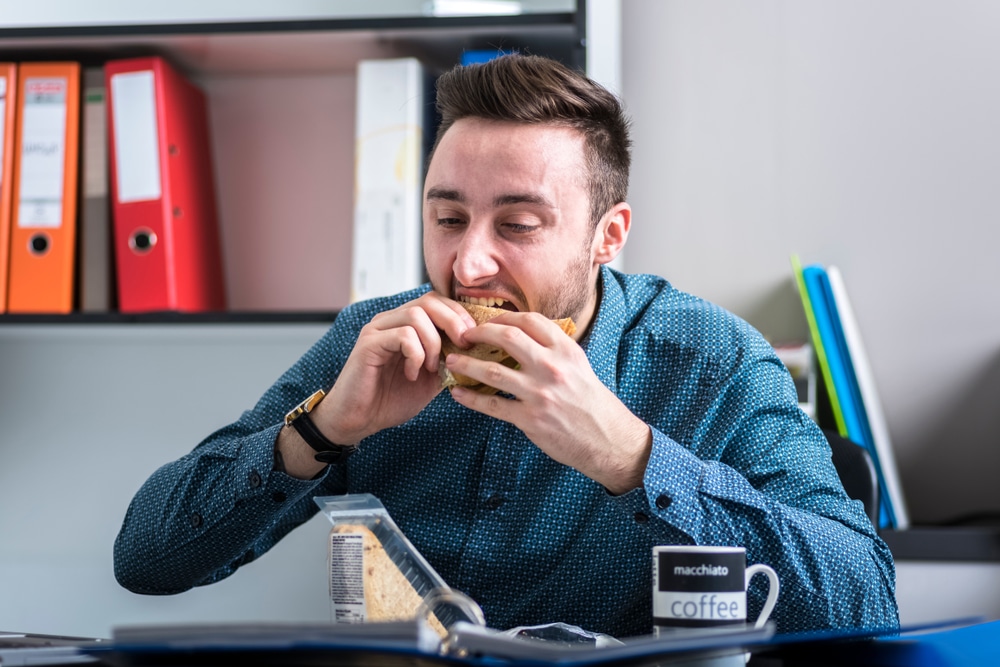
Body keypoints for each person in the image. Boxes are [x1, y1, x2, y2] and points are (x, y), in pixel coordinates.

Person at [114, 54, 898, 638]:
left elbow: (866, 597)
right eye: (448, 218)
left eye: (518, 225)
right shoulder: (374, 341)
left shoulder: (713, 360)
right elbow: (145, 558)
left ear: (606, 236)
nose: (469, 263)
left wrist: (632, 457)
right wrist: (320, 433)